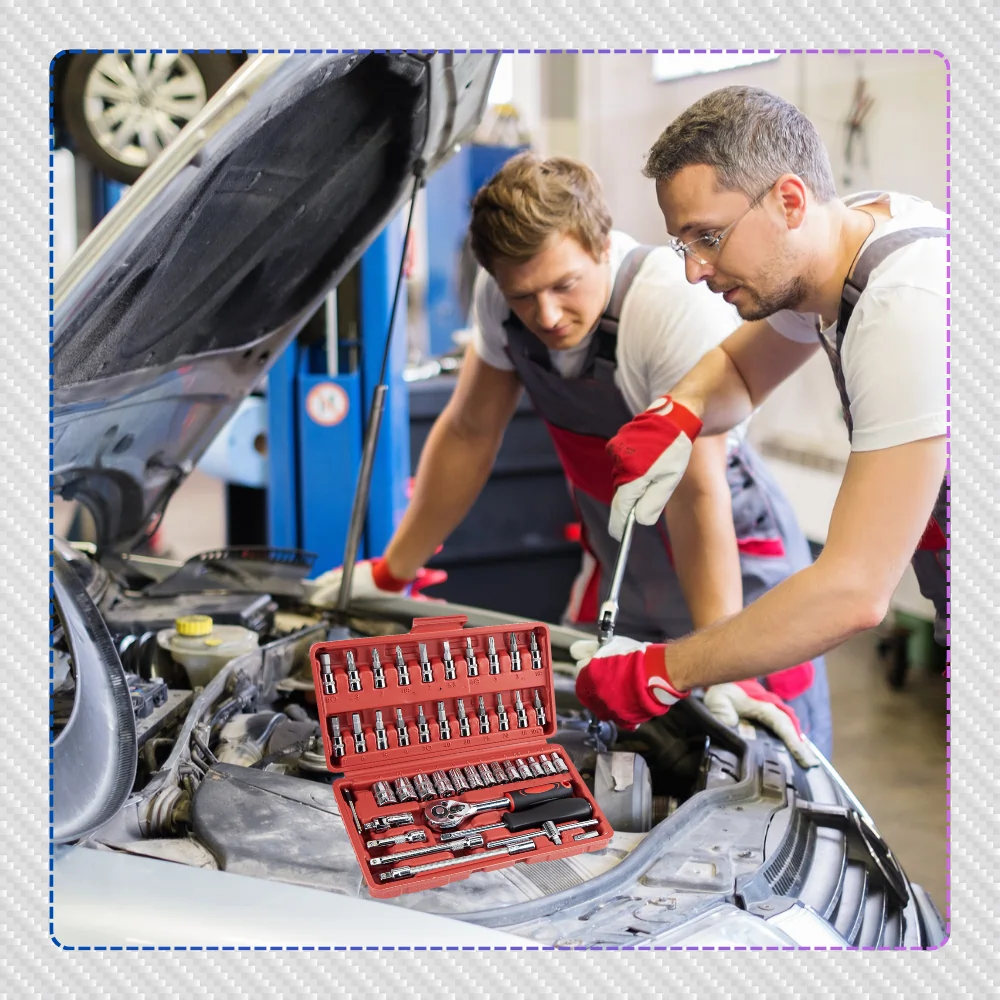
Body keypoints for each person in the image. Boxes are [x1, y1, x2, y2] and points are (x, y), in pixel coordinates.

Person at [310, 151, 832, 763]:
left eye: (564, 285)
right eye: (525, 296)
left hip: (730, 558)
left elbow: (696, 493)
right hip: (622, 557)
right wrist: (394, 571)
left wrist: (723, 660)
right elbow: (470, 433)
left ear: (603, 245)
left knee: (763, 757)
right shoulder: (501, 299)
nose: (548, 316)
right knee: (594, 736)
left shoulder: (665, 308)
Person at [572, 86, 946, 738]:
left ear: (790, 201)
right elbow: (742, 373)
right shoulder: (842, 240)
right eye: (683, 244)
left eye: (708, 237)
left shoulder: (902, 305)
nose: (694, 271)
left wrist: (662, 669)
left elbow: (854, 590)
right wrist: (677, 413)